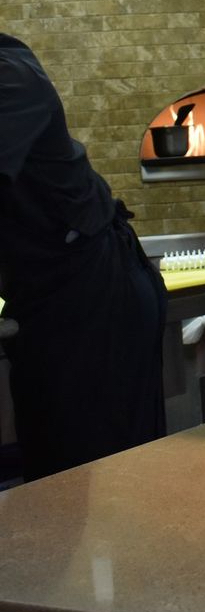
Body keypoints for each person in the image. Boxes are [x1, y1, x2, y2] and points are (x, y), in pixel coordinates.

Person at [0, 33, 168, 481]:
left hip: (93, 293)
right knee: (55, 472)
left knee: (101, 474)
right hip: (49, 292)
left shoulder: (9, 75)